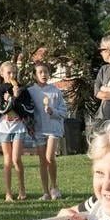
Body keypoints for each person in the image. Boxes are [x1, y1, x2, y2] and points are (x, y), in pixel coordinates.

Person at [0, 61, 35, 202]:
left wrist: (15, 97)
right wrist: (10, 100)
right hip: (3, 128)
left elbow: (28, 109)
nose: (12, 75)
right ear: (2, 73)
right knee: (7, 160)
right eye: (9, 72)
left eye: (14, 72)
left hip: (18, 127)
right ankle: (8, 193)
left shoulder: (22, 90)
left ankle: (22, 189)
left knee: (16, 158)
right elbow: (2, 108)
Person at [29, 62, 67, 200]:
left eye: (46, 72)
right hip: (39, 130)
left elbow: (64, 112)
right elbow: (27, 110)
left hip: (53, 129)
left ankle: (54, 187)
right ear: (34, 75)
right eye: (40, 72)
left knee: (49, 157)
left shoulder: (55, 91)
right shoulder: (30, 91)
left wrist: (53, 111)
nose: (44, 74)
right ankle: (45, 192)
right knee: (42, 161)